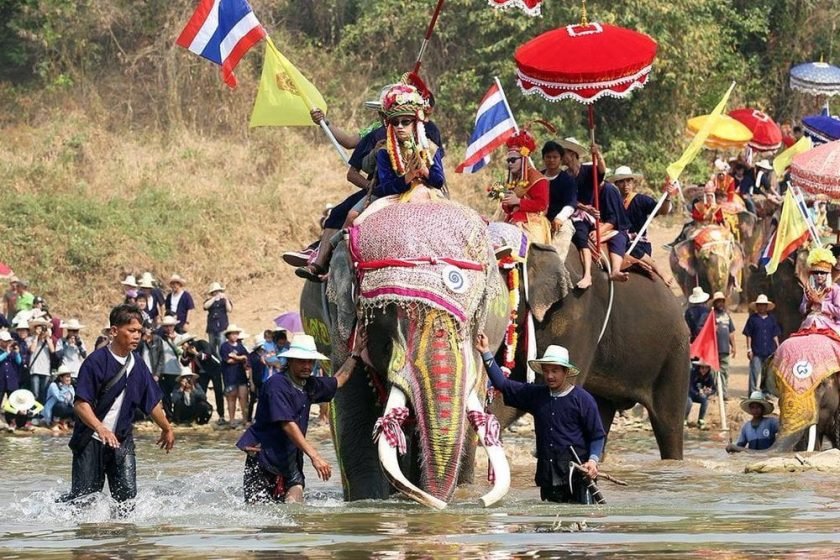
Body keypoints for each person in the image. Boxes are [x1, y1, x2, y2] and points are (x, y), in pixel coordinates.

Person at [61, 303, 174, 510]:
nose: (137, 336)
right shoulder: (95, 362)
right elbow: (80, 404)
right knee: (83, 504)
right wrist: (100, 428)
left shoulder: (138, 364)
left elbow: (152, 403)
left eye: (139, 331)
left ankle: (122, 533)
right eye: (131, 330)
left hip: (122, 440)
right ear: (114, 331)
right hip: (91, 440)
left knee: (128, 505)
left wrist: (166, 428)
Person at [475, 333, 605, 504]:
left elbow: (597, 436)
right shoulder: (536, 395)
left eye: (555, 371)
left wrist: (593, 461)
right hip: (548, 475)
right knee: (548, 516)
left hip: (578, 475)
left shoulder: (583, 399)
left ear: (566, 372)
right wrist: (485, 352)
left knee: (581, 517)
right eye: (546, 371)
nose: (549, 376)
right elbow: (502, 384)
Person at [236, 334, 357, 504]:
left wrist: (356, 353)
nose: (307, 366)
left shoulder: (309, 384)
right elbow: (287, 423)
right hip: (263, 456)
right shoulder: (276, 385)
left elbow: (339, 380)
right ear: (290, 361)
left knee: (295, 509)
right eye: (301, 361)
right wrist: (315, 456)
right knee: (258, 511)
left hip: (291, 458)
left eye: (310, 362)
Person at [610, 166, 676, 262]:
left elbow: (662, 211)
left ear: (632, 182)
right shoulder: (613, 201)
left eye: (628, 181)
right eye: (621, 181)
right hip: (618, 244)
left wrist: (667, 197)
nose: (625, 185)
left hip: (638, 245)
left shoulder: (641, 200)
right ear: (616, 184)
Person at [501, 131, 551, 244]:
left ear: (524, 158)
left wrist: (518, 201)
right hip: (513, 219)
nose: (510, 164)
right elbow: (507, 208)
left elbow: (542, 205)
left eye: (513, 160)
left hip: (532, 222)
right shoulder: (514, 180)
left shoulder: (539, 179)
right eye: (508, 161)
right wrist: (506, 202)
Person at [542, 141, 577, 258]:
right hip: (538, 219)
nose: (551, 160)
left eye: (555, 157)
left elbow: (571, 203)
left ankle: (555, 265)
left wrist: (560, 218)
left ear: (561, 159)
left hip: (560, 220)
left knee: (564, 231)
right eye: (548, 157)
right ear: (543, 158)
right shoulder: (537, 176)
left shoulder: (568, 180)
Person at [179, 335, 226, 424]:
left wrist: (196, 353)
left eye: (183, 344)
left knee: (218, 392)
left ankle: (221, 415)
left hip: (214, 369)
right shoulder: (188, 351)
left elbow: (207, 356)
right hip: (202, 373)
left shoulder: (202, 343)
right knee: (201, 393)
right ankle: (201, 415)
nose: (183, 346)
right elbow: (184, 362)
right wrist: (185, 352)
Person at [743, 294, 781, 396]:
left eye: (764, 305)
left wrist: (778, 348)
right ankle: (753, 393)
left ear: (766, 306)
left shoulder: (771, 319)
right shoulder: (752, 319)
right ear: (757, 306)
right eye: (760, 305)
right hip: (756, 351)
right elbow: (748, 335)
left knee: (768, 373)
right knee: (755, 372)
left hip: (769, 350)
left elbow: (775, 334)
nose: (762, 307)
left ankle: (766, 392)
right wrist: (749, 349)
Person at [799, 247, 840, 335]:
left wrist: (820, 303)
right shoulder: (808, 289)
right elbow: (801, 310)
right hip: (808, 323)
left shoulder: (834, 288)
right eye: (816, 273)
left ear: (828, 274)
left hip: (827, 324)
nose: (819, 276)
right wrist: (809, 304)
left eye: (822, 273)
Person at [220, 324, 250, 425]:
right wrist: (241, 358)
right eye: (233, 334)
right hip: (230, 376)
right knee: (231, 398)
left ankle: (245, 419)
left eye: (236, 334)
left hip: (241, 375)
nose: (235, 336)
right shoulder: (224, 346)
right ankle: (232, 420)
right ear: (228, 335)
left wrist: (237, 357)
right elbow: (229, 360)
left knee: (243, 398)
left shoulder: (240, 346)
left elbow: (246, 358)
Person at [156, 315, 183, 416]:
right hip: (164, 370)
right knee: (165, 395)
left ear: (174, 326)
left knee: (177, 394)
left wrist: (172, 342)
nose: (168, 328)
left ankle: (177, 415)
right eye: (166, 326)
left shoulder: (181, 338)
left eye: (170, 326)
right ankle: (169, 415)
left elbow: (182, 353)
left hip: (177, 370)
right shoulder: (160, 340)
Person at [711, 291, 736, 400]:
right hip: (714, 349)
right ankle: (716, 392)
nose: (720, 303)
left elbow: (731, 332)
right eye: (718, 302)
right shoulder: (711, 315)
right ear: (714, 303)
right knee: (714, 372)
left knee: (725, 372)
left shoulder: (727, 315)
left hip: (725, 348)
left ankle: (724, 393)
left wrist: (734, 346)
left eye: (722, 301)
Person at [26, 315, 55, 404]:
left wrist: (47, 337)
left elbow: (52, 350)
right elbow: (32, 350)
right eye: (39, 327)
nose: (41, 330)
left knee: (43, 393)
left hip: (45, 370)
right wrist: (36, 336)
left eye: (43, 328)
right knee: (35, 394)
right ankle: (34, 410)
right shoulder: (30, 339)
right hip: (35, 369)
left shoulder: (48, 340)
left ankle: (42, 411)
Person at [685, 359, 716, 430]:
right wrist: (697, 393)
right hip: (690, 394)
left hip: (700, 395)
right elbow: (689, 387)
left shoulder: (709, 376)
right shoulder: (692, 373)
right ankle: (684, 419)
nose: (704, 370)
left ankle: (700, 420)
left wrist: (709, 392)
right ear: (699, 367)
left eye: (706, 368)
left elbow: (714, 388)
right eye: (702, 368)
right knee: (689, 402)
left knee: (705, 401)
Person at [203, 282, 232, 358]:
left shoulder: (224, 300)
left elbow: (229, 309)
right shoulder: (209, 300)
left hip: (222, 326)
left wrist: (226, 299)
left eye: (218, 291)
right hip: (212, 327)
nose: (216, 293)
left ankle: (222, 362)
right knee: (212, 346)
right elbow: (205, 306)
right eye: (214, 291)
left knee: (221, 346)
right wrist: (213, 298)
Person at [42, 365, 76, 430]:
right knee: (61, 405)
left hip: (65, 409)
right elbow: (60, 398)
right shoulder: (53, 385)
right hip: (53, 410)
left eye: (69, 377)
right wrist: (65, 388)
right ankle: (54, 423)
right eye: (67, 377)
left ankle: (65, 421)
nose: (69, 379)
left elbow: (72, 401)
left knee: (77, 407)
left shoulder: (70, 387)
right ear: (61, 378)